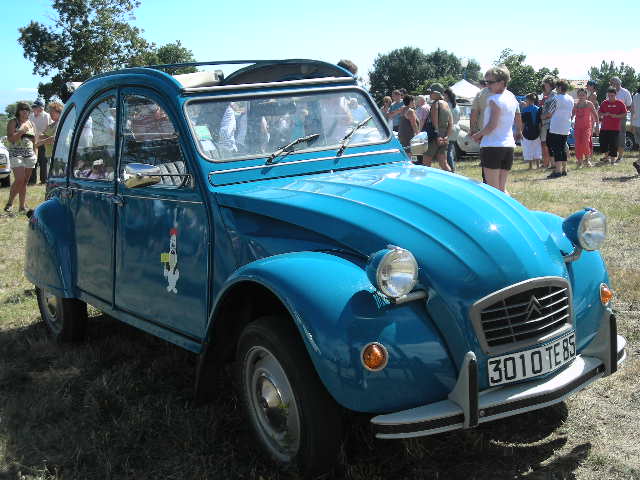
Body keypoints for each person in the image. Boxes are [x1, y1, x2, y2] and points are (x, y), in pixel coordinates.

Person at [471, 66, 522, 193]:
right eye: (486, 82)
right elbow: (516, 117)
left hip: (492, 146)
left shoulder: (493, 99)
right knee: (502, 189)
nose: (487, 85)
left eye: (490, 82)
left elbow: (492, 125)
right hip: (508, 147)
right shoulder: (511, 98)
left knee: (493, 191)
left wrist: (477, 135)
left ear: (501, 82)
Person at [4, 102, 37, 213]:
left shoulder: (31, 123)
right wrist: (21, 131)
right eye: (22, 109)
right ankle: (10, 203)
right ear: (18, 111)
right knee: (19, 179)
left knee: (24, 182)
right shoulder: (13, 122)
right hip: (16, 154)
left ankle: (22, 207)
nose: (25, 111)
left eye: (27, 110)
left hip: (29, 155)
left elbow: (34, 141)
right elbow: (11, 139)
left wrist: (35, 153)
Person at [546, 79, 574, 178]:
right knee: (562, 147)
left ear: (559, 87)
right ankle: (564, 169)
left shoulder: (555, 98)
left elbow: (549, 113)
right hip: (566, 125)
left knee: (556, 148)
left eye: (556, 87)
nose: (555, 88)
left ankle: (557, 171)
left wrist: (543, 117)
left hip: (556, 126)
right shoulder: (571, 98)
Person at [422, 83, 453, 172]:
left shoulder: (436, 104)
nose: (430, 94)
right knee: (444, 163)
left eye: (431, 92)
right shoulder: (447, 105)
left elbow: (434, 122)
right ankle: (451, 180)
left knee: (426, 162)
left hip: (435, 136)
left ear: (437, 93)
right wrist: (447, 136)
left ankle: (427, 182)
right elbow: (451, 123)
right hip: (444, 136)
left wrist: (437, 135)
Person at [598, 87, 627, 164]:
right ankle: (606, 158)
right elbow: (599, 113)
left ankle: (613, 162)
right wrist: (605, 114)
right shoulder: (604, 103)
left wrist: (616, 116)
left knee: (613, 145)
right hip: (604, 128)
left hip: (615, 128)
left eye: (612, 96)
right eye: (609, 96)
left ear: (615, 95)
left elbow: (625, 113)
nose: (610, 97)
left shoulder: (620, 103)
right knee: (603, 143)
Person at [572, 88, 599, 168]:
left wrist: (597, 126)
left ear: (586, 96)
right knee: (578, 144)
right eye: (580, 95)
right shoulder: (575, 104)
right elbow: (571, 115)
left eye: (583, 95)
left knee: (585, 142)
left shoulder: (589, 104)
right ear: (577, 95)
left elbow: (595, 115)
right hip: (577, 127)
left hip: (587, 127)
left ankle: (587, 160)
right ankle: (579, 161)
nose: (581, 97)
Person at [36, 101, 64, 175]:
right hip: (50, 153)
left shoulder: (62, 123)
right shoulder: (51, 124)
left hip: (59, 155)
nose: (50, 113)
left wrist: (38, 143)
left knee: (58, 176)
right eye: (50, 111)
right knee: (54, 175)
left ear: (59, 112)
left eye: (52, 112)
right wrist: (45, 137)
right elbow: (42, 135)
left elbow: (54, 139)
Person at [28, 99, 51, 184]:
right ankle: (32, 180)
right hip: (32, 142)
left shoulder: (47, 116)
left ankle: (44, 180)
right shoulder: (30, 116)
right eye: (34, 107)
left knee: (43, 161)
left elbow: (50, 128)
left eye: (36, 107)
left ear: (42, 107)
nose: (34, 108)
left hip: (43, 141)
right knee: (32, 161)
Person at [610, 76, 632, 163]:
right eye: (611, 83)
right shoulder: (609, 92)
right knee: (612, 136)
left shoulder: (625, 92)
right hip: (611, 118)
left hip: (622, 117)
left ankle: (620, 156)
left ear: (619, 83)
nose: (613, 85)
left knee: (621, 136)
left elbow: (629, 105)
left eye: (614, 83)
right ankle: (612, 155)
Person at [520, 93, 542, 169]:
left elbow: (523, 123)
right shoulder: (538, 109)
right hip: (537, 131)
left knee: (528, 148)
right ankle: (538, 165)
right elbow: (540, 122)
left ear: (528, 100)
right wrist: (540, 131)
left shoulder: (525, 110)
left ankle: (530, 166)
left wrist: (520, 131)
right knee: (537, 148)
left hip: (527, 132)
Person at [539, 77, 557, 169]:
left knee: (548, 144)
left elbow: (550, 113)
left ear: (550, 85)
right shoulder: (547, 96)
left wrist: (542, 116)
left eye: (546, 84)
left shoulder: (554, 96)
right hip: (545, 123)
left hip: (549, 123)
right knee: (545, 144)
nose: (544, 86)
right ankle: (548, 163)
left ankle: (550, 163)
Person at [443, 88, 460, 171]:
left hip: (449, 128)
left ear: (447, 95)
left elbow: (445, 118)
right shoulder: (457, 105)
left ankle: (451, 169)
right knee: (450, 149)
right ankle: (452, 168)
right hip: (456, 128)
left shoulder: (446, 105)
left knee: (447, 151)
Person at [632, 86, 640, 175]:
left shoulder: (635, 96)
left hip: (636, 124)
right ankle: (638, 162)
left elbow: (632, 111)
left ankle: (638, 164)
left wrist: (632, 124)